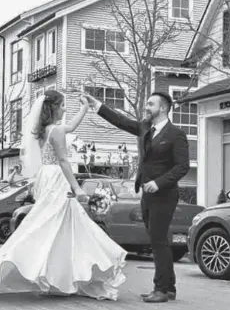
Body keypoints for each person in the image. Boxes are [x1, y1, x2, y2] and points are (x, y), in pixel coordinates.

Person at [0, 90, 127, 300]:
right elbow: (63, 161)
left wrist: (85, 107)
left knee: (58, 226)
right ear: (53, 107)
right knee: (52, 225)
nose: (64, 108)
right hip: (56, 178)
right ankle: (51, 273)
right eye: (62, 105)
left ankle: (57, 277)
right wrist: (77, 188)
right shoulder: (56, 131)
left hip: (47, 176)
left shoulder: (45, 129)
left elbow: (70, 127)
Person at [84, 91, 189, 303]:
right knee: (158, 241)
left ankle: (160, 290)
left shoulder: (176, 134)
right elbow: (120, 121)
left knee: (158, 241)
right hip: (147, 195)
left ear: (163, 108)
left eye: (151, 104)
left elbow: (182, 167)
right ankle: (169, 288)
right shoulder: (144, 128)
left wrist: (159, 183)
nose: (146, 107)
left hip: (165, 194)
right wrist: (98, 106)